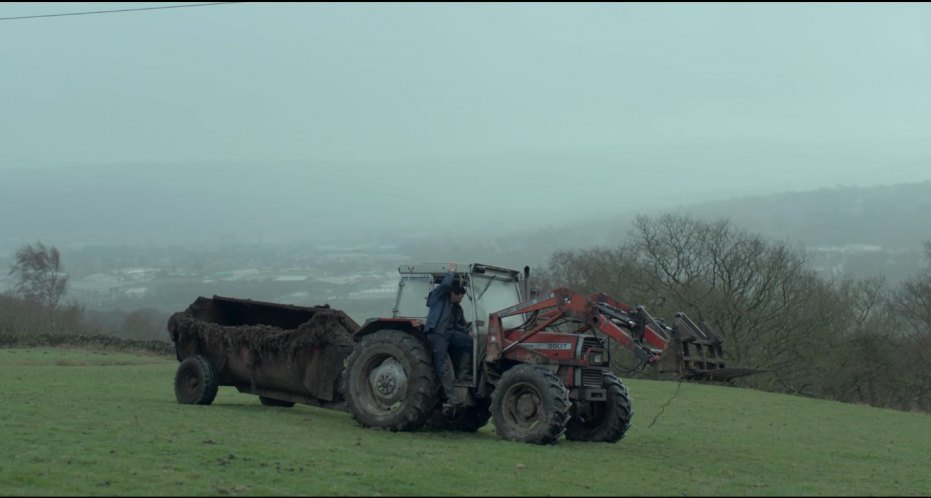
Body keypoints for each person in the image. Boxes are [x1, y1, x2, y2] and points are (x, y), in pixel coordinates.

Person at [425, 263, 473, 407]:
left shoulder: (454, 307)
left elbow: (456, 325)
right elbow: (445, 285)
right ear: (453, 293)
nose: (460, 300)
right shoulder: (439, 296)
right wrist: (451, 272)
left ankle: (464, 375)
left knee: (472, 344)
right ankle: (452, 397)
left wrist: (468, 332)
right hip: (438, 334)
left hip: (449, 333)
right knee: (442, 365)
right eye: (460, 297)